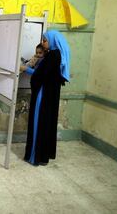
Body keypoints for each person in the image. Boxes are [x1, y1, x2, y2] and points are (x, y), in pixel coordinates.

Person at [20, 30, 70, 166]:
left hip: (43, 95)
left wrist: (25, 69)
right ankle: (43, 156)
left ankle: (36, 156)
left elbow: (40, 75)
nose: (43, 43)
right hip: (49, 95)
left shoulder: (53, 56)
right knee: (46, 123)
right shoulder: (55, 54)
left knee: (39, 123)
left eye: (45, 40)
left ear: (53, 41)